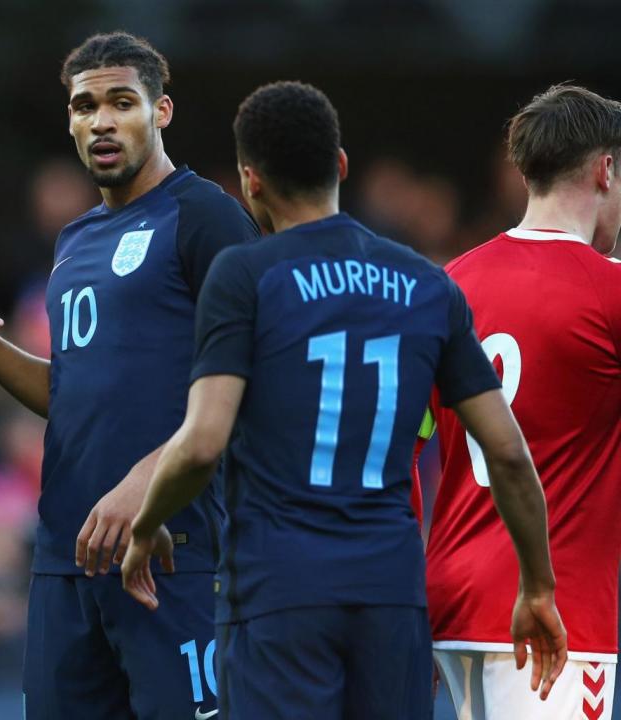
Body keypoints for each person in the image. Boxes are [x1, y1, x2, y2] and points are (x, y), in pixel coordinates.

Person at [120, 80, 568, 719]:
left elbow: (201, 443)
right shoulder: (425, 283)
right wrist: (539, 585)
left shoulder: (245, 276)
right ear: (340, 166)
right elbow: (507, 451)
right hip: (390, 593)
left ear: (251, 182)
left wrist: (145, 527)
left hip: (279, 592)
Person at [0, 32, 259, 720]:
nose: (101, 121)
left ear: (161, 111)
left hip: (174, 550)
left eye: (122, 102)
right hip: (66, 560)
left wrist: (147, 482)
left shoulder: (206, 218)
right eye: (85, 106)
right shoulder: (74, 240)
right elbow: (71, 394)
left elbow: (250, 378)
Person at [426, 83, 621, 720]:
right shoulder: (608, 291)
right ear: (605, 169)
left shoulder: (452, 282)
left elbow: (407, 443)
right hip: (555, 623)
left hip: (450, 607)